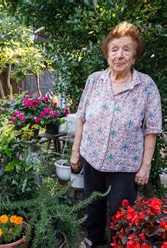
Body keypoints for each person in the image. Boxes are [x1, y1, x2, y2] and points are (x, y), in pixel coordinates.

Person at [70, 22, 162, 247]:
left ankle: (119, 244)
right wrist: (75, 153)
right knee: (93, 203)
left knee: (122, 211)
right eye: (114, 49)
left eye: (126, 49)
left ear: (134, 56)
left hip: (124, 164)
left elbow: (151, 129)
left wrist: (145, 167)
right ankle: (93, 239)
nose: (119, 55)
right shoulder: (94, 80)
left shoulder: (146, 86)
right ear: (107, 54)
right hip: (92, 157)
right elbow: (82, 117)